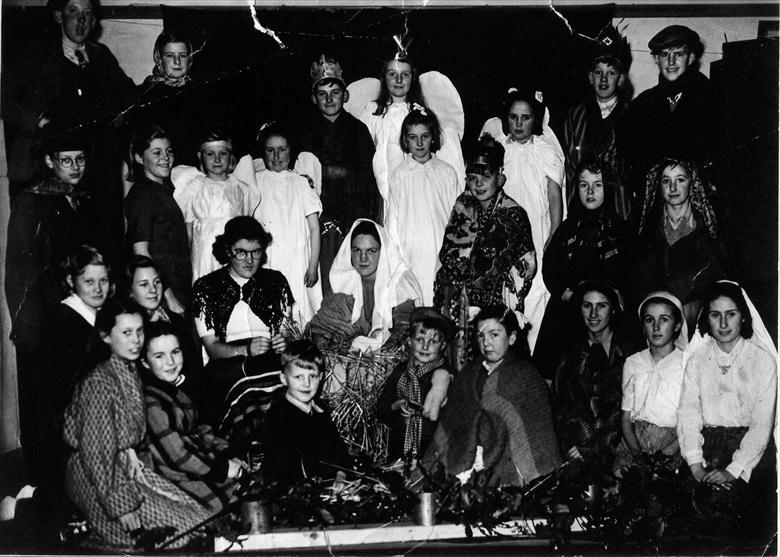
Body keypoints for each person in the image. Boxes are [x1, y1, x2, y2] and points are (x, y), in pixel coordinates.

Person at [63, 299, 209, 552]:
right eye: (126, 332)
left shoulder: (128, 371)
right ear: (106, 336)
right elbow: (97, 456)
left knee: (202, 519)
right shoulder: (99, 383)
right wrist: (122, 507)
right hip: (96, 478)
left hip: (126, 469)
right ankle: (83, 532)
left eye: (140, 331)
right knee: (180, 533)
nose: (136, 340)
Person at [2, 0, 134, 201]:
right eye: (73, 11)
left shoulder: (101, 55)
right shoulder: (36, 54)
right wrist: (38, 121)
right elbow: (3, 98)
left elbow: (129, 96)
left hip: (95, 173)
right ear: (58, 16)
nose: (81, 19)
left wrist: (116, 118)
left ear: (94, 20)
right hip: (43, 170)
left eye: (87, 13)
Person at [677, 281, 777, 539]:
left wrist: (733, 470)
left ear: (742, 316)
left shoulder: (762, 361)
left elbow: (761, 425)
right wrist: (696, 465)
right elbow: (688, 415)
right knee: (689, 516)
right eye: (715, 315)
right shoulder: (697, 361)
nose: (723, 323)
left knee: (741, 525)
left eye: (730, 314)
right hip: (706, 450)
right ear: (706, 319)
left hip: (749, 454)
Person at [421, 305, 561, 487]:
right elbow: (452, 422)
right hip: (466, 461)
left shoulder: (525, 376)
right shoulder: (468, 375)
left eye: (494, 335)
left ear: (511, 338)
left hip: (511, 465)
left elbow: (536, 433)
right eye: (481, 335)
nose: (486, 342)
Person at [434, 135, 536, 361]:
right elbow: (447, 252)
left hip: (494, 307)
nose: (478, 184)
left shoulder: (512, 215)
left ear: (500, 178)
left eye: (486, 176)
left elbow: (525, 267)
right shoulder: (463, 205)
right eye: (472, 178)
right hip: (458, 303)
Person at [479, 88, 565, 351]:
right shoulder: (499, 150)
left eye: (525, 118)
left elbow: (554, 196)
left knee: (536, 293)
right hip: (504, 233)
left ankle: (533, 357)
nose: (518, 124)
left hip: (535, 231)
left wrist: (554, 234)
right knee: (505, 294)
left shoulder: (545, 151)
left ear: (534, 119)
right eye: (513, 117)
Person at [190, 217, 292, 433]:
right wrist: (245, 350)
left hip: (270, 362)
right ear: (228, 251)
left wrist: (284, 342)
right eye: (241, 252)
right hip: (228, 367)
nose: (249, 260)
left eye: (256, 251)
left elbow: (287, 332)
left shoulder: (276, 282)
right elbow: (212, 348)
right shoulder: (206, 288)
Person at [534, 158, 632, 380]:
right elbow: (550, 267)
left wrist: (617, 294)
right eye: (583, 184)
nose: (590, 191)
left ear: (607, 187)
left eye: (597, 185)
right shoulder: (568, 229)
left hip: (609, 313)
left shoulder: (620, 230)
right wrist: (563, 292)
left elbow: (630, 272)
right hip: (571, 309)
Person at [140, 321, 246, 513]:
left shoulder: (178, 392)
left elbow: (201, 431)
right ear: (145, 362)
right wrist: (222, 468)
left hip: (197, 465)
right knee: (232, 504)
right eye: (159, 356)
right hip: (173, 477)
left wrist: (227, 453)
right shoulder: (152, 402)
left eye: (175, 352)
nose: (170, 362)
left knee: (250, 486)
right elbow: (177, 455)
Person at [298, 54, 379, 296]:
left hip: (353, 213)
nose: (329, 99)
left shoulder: (359, 131)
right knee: (323, 278)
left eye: (335, 92)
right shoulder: (306, 133)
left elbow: (369, 179)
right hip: (320, 218)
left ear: (345, 95)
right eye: (322, 94)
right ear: (314, 99)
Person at [358, 50, 465, 216]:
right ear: (384, 78)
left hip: (417, 188)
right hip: (383, 188)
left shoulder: (420, 113)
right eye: (392, 74)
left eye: (405, 74)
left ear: (413, 78)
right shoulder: (373, 112)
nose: (399, 80)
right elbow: (363, 150)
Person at [617, 25, 711, 203]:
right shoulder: (642, 105)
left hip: (698, 203)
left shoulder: (711, 99)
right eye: (665, 54)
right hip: (655, 204)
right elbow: (626, 153)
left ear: (691, 58)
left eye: (679, 54)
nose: (671, 61)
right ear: (656, 59)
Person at [633, 158, 724, 331]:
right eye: (666, 181)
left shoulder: (708, 230)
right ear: (658, 186)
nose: (673, 188)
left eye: (680, 180)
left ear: (692, 183)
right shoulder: (647, 231)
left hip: (698, 325)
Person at [554, 280, 638, 466]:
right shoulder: (570, 357)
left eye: (601, 306)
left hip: (622, 454)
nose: (593, 314)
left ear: (613, 310)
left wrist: (594, 447)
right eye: (587, 306)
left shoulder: (629, 353)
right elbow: (562, 410)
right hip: (576, 456)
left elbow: (629, 413)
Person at [307, 219, 423, 353]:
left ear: (383, 251)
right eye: (356, 250)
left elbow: (405, 333)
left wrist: (373, 354)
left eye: (371, 251)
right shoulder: (345, 281)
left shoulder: (400, 284)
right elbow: (322, 327)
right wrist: (324, 348)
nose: (363, 258)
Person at [385, 107, 461, 305]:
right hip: (412, 248)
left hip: (441, 246)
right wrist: (398, 255)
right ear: (405, 140)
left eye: (424, 136)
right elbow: (393, 218)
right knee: (418, 298)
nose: (419, 143)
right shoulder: (400, 174)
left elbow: (457, 213)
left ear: (433, 138)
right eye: (413, 137)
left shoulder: (446, 172)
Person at [253, 122, 322, 326]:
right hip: (269, 258)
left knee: (298, 308)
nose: (276, 156)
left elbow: (314, 228)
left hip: (296, 258)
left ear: (291, 151)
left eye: (282, 150)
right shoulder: (256, 182)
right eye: (270, 150)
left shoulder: (300, 183)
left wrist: (313, 265)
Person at [563, 24, 632, 220]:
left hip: (621, 211)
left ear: (620, 79)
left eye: (610, 73)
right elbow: (570, 170)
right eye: (598, 72)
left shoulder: (632, 114)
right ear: (590, 77)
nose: (603, 79)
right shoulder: (575, 115)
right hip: (582, 211)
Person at [614, 291, 687, 472]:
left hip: (672, 444)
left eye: (664, 319)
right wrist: (638, 455)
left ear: (677, 325)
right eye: (649, 320)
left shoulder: (687, 364)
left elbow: (692, 421)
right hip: (634, 442)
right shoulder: (633, 363)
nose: (656, 327)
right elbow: (625, 419)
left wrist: (666, 453)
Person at [261, 340, 352, 486]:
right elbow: (283, 468)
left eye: (313, 376)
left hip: (326, 484)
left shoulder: (319, 409)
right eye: (298, 377)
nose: (307, 384)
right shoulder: (278, 416)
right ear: (284, 379)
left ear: (321, 377)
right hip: (295, 489)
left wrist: (340, 476)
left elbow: (337, 449)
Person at [124, 124, 191, 313]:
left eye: (169, 151)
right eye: (156, 153)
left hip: (176, 285)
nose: (165, 158)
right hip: (163, 293)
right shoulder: (144, 195)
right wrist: (167, 297)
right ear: (139, 158)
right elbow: (140, 250)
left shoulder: (160, 191)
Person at [173, 129, 254, 282]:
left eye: (223, 153)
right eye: (210, 154)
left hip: (233, 255)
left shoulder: (241, 189)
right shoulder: (195, 188)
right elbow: (188, 232)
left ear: (231, 156)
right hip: (204, 255)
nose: (217, 159)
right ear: (200, 156)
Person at [377, 307, 456, 462]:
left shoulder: (447, 376)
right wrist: (396, 406)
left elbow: (454, 419)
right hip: (399, 452)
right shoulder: (401, 372)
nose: (425, 347)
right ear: (409, 341)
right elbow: (381, 411)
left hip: (432, 453)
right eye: (420, 340)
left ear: (444, 345)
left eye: (433, 341)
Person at [124, 255, 202, 399]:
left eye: (157, 282)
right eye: (143, 284)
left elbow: (195, 371)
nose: (153, 290)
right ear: (130, 292)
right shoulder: (131, 330)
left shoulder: (176, 321)